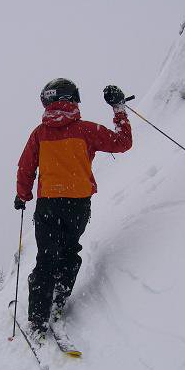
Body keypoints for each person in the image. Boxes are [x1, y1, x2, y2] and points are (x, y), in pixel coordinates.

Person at [14, 78, 132, 344]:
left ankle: (38, 317)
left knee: (46, 258)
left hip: (48, 203)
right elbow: (123, 143)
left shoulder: (40, 134)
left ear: (47, 102)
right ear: (74, 99)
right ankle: (59, 300)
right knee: (68, 251)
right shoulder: (87, 130)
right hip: (77, 204)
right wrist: (119, 109)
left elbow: (25, 167)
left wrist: (23, 196)